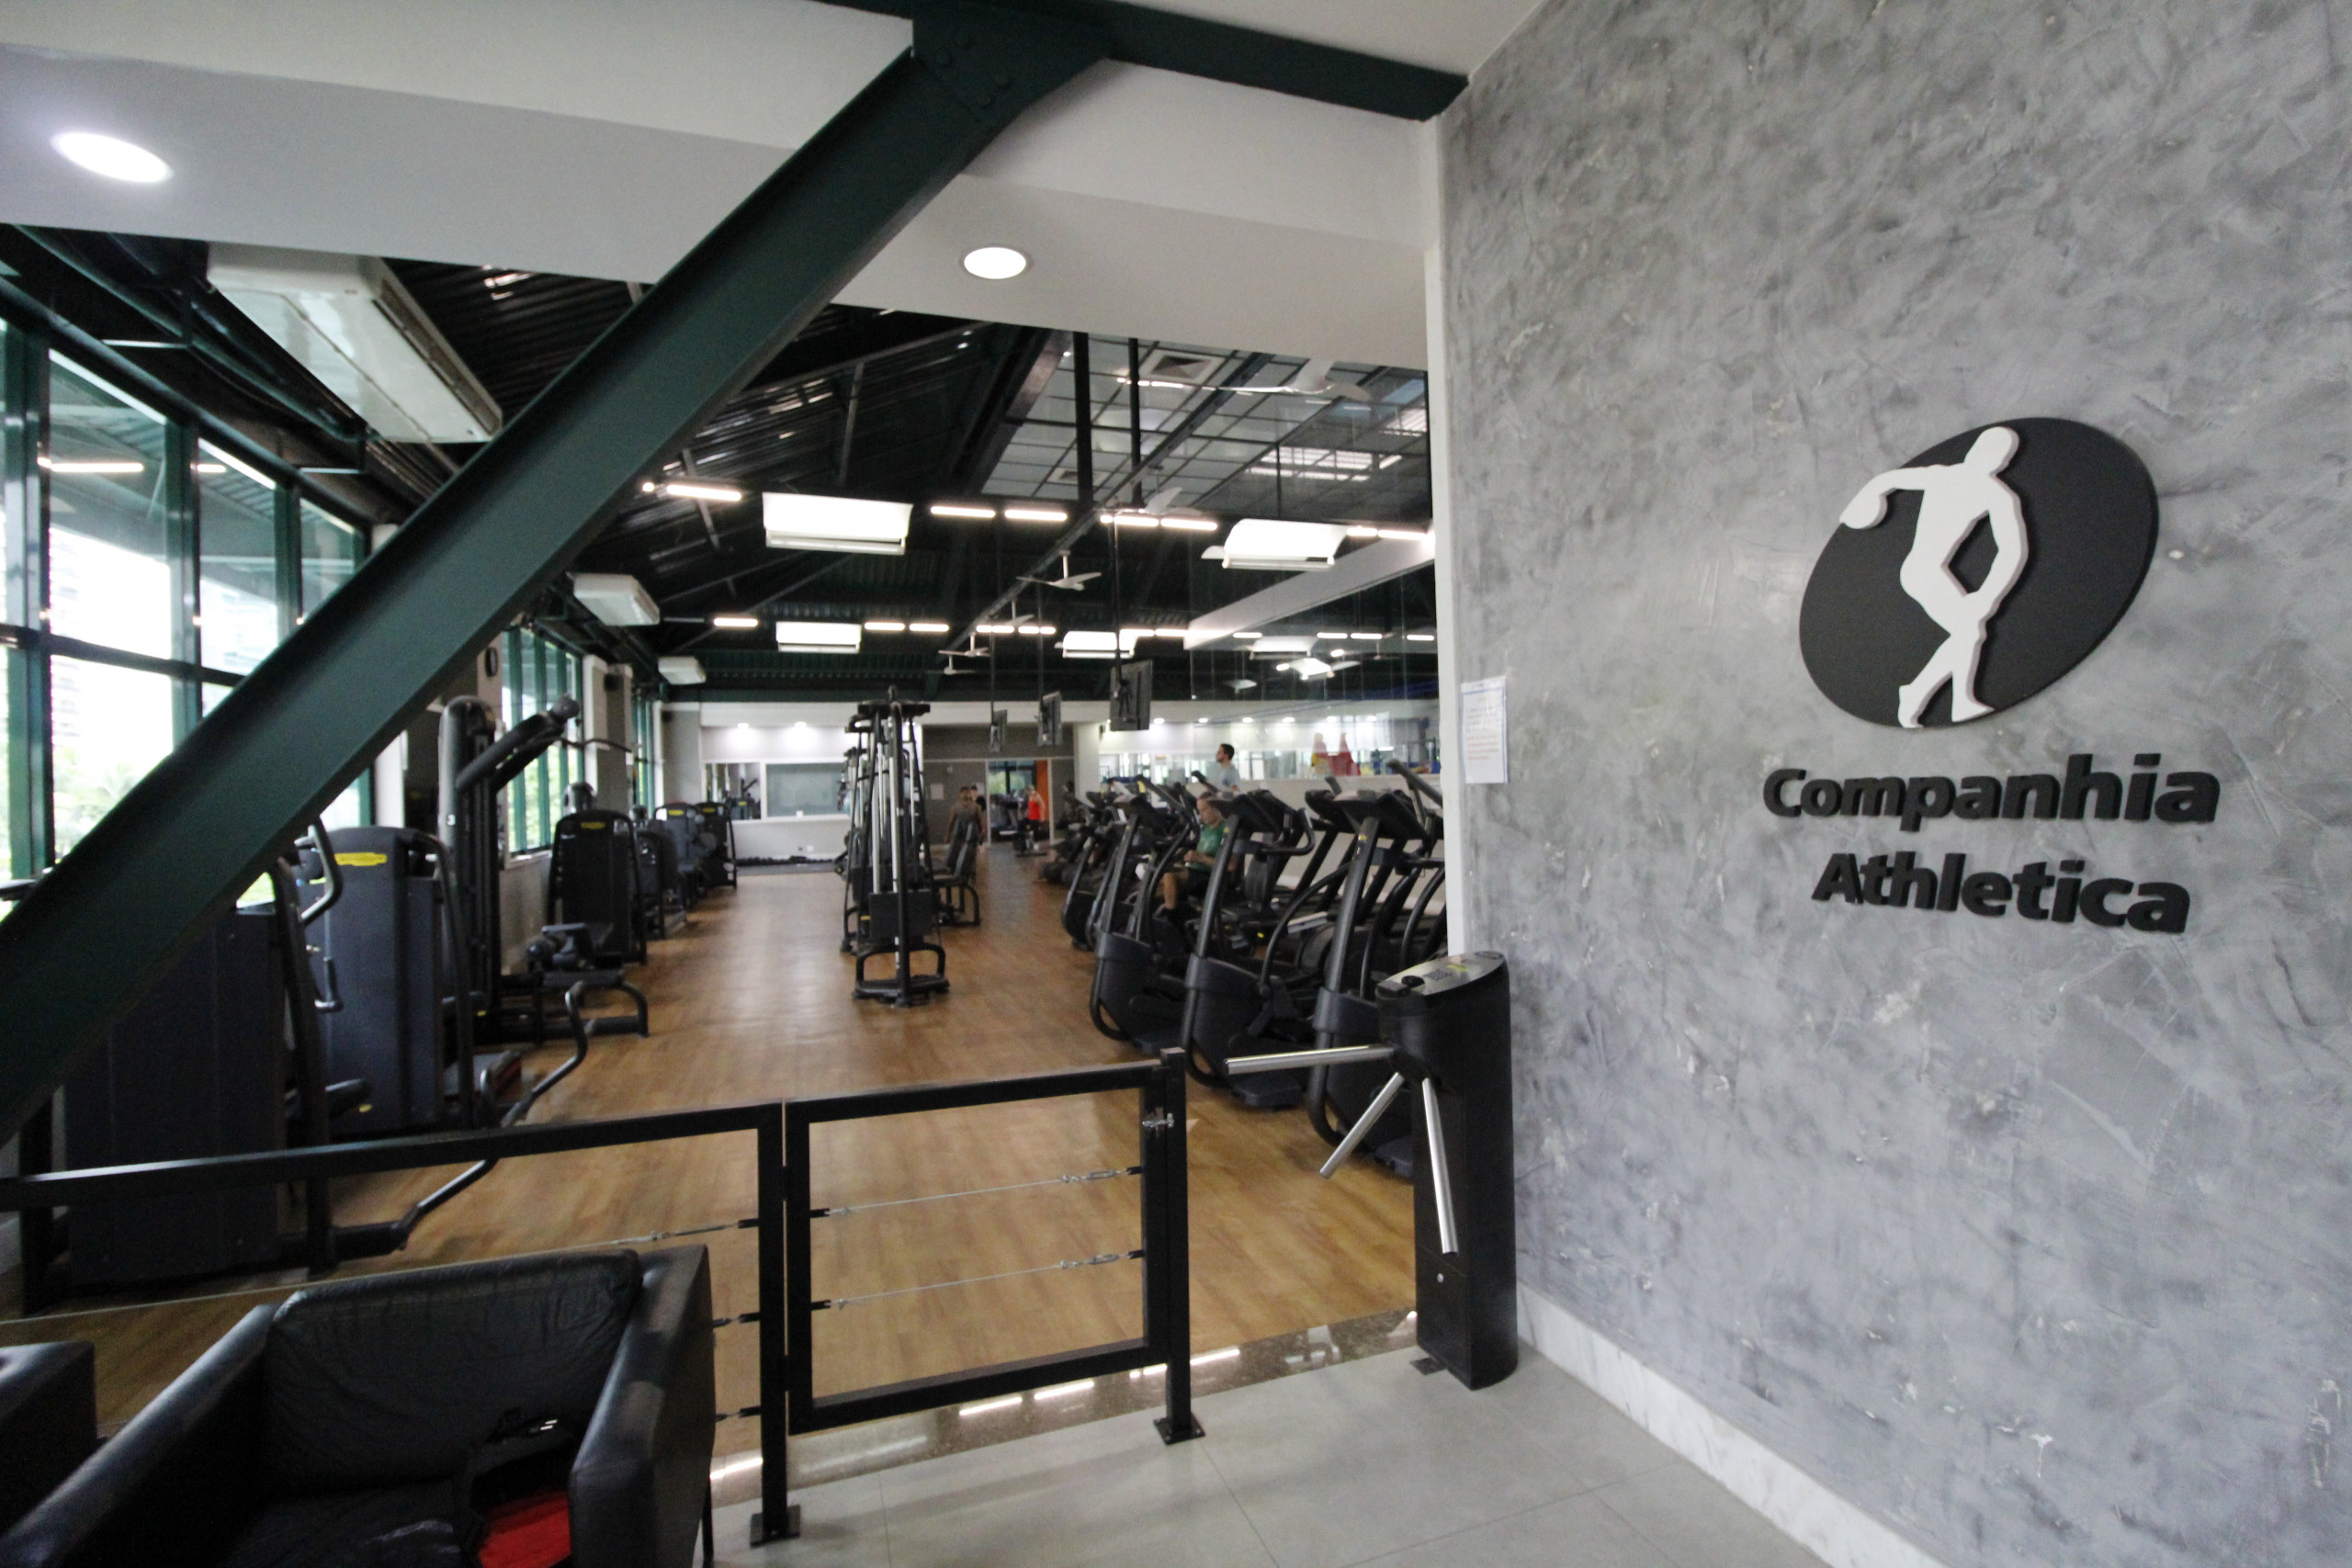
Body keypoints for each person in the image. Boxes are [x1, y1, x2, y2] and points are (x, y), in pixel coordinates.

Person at [1838, 425, 2029, 728]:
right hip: (1921, 571)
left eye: (1997, 455)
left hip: (1933, 572)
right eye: (1987, 451)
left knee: (1969, 632)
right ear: (1976, 452)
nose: (1990, 459)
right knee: (1969, 632)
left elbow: (2012, 550)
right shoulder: (1948, 477)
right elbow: (1886, 480)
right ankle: (1929, 695)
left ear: (2001, 462)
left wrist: (1987, 595)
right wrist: (1862, 506)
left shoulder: (1994, 493)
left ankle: (1950, 699)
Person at [1157, 794, 1228, 930]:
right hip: (1195, 873)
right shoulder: (1204, 829)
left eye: (1204, 811)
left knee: (1169, 874)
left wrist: (1200, 858)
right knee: (1156, 880)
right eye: (1199, 811)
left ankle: (1171, 921)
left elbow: (1230, 866)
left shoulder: (1225, 829)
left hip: (1210, 878)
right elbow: (1195, 852)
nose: (1201, 816)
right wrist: (1185, 854)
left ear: (1215, 808)